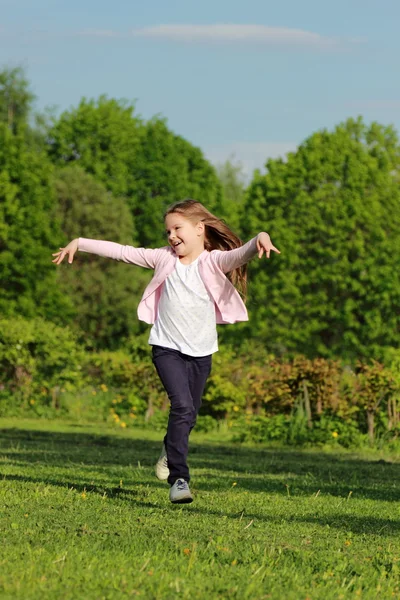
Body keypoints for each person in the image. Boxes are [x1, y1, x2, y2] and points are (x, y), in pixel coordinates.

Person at [52, 198, 280, 504]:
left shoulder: (213, 262)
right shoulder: (163, 258)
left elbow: (242, 253)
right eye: (168, 231)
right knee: (182, 408)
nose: (171, 236)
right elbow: (123, 252)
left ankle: (168, 452)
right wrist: (80, 242)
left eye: (177, 228)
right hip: (166, 347)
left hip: (201, 352)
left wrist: (261, 238)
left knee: (190, 414)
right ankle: (179, 479)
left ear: (200, 229)